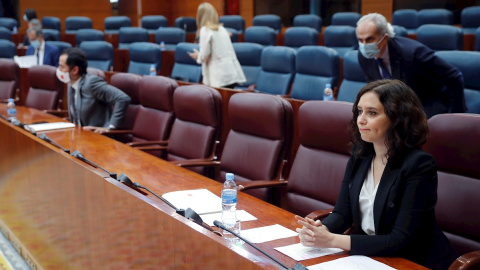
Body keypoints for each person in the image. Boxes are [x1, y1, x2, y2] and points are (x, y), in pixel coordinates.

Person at [296, 80, 458, 270]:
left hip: (412, 261)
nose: (361, 120)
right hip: (371, 258)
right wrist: (321, 230)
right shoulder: (360, 155)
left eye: (372, 113)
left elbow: (400, 240)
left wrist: (333, 240)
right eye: (359, 111)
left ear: (397, 118)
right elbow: (342, 213)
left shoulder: (419, 165)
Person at [355, 13, 466, 118]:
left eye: (369, 39)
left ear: (384, 38)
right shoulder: (363, 56)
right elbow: (374, 85)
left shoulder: (413, 53)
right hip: (396, 109)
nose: (364, 45)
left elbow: (454, 76)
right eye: (360, 40)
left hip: (426, 108)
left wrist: (455, 119)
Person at [57, 48, 131, 132]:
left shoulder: (91, 83)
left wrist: (110, 127)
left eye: (62, 66)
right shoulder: (70, 82)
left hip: (99, 138)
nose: (58, 69)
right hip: (80, 135)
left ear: (74, 70)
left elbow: (122, 98)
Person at [188, 2, 246, 88]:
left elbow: (204, 55)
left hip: (219, 76)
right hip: (230, 73)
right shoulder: (222, 29)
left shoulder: (205, 30)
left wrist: (198, 56)